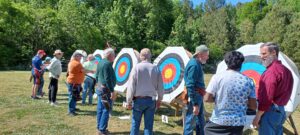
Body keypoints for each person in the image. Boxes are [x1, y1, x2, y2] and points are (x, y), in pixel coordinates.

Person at [204, 51, 257, 135]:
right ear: (241, 63)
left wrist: (218, 99)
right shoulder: (248, 81)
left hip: (218, 121)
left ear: (226, 62)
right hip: (237, 123)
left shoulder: (217, 77)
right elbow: (253, 106)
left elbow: (206, 98)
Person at [252, 42, 293, 135]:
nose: (261, 56)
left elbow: (267, 96)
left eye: (264, 53)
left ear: (274, 52)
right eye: (260, 54)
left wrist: (258, 116)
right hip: (280, 111)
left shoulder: (271, 72)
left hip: (269, 111)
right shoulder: (286, 70)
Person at [126, 48, 164, 135]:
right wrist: (160, 99)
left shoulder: (136, 67)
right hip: (151, 100)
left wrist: (128, 101)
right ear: (150, 56)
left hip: (138, 100)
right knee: (148, 126)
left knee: (135, 124)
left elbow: (131, 86)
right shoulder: (155, 68)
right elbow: (161, 86)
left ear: (140, 56)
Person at [183, 45, 209, 135]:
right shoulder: (194, 65)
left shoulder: (197, 63)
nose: (208, 57)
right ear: (200, 54)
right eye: (206, 55)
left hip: (198, 95)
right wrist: (195, 104)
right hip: (195, 95)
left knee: (200, 119)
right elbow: (190, 85)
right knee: (190, 122)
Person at [95, 48, 116, 135]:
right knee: (106, 109)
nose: (114, 57)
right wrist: (112, 91)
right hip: (105, 89)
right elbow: (107, 79)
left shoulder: (101, 62)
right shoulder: (107, 63)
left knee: (100, 108)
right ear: (110, 55)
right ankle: (102, 129)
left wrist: (97, 84)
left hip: (100, 87)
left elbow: (96, 75)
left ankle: (99, 126)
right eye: (114, 55)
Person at [66, 52, 85, 116]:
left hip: (74, 82)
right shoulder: (77, 63)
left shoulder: (72, 62)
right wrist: (92, 71)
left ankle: (73, 108)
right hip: (74, 82)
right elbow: (83, 70)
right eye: (80, 56)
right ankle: (71, 111)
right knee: (72, 96)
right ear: (76, 56)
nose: (81, 58)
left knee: (73, 95)